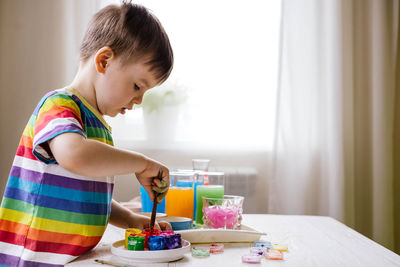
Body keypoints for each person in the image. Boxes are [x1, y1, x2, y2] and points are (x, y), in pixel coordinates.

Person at [0, 1, 173, 266]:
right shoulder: (59, 105)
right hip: (34, 258)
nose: (139, 100)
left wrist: (127, 218)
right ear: (104, 61)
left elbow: (88, 194)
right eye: (137, 85)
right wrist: (142, 163)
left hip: (67, 258)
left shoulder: (97, 126)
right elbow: (75, 155)